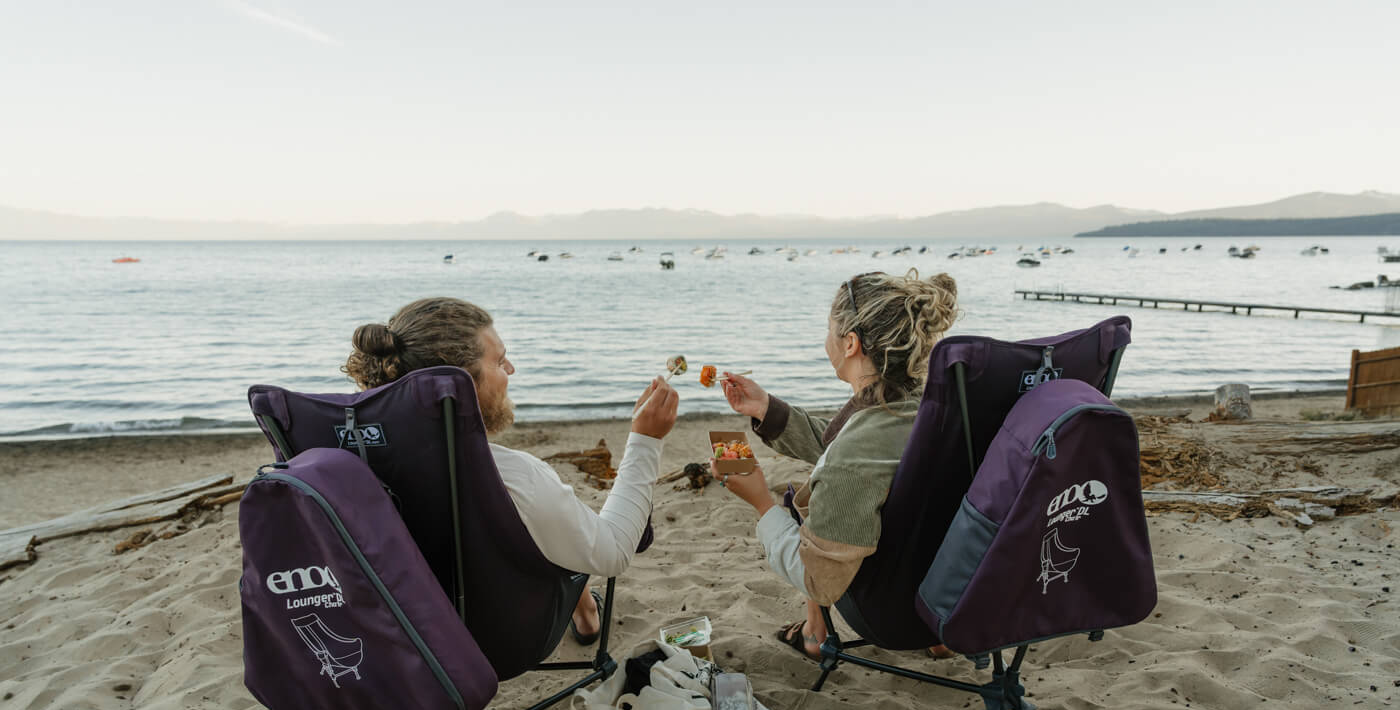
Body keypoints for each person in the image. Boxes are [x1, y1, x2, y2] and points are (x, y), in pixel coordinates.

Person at [343, 297, 678, 643]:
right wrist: (645, 440)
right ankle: (586, 611)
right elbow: (614, 553)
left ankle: (583, 607)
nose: (512, 370)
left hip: (396, 634)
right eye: (500, 362)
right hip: (499, 639)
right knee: (563, 527)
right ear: (460, 386)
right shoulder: (511, 478)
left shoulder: (353, 463)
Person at [713, 269, 959, 659]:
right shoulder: (941, 410)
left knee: (802, 500)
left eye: (829, 329)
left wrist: (761, 502)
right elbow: (855, 453)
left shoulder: (857, 452)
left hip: (893, 617)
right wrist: (767, 409)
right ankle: (941, 642)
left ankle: (815, 632)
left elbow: (820, 581)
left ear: (850, 344)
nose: (824, 339)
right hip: (961, 598)